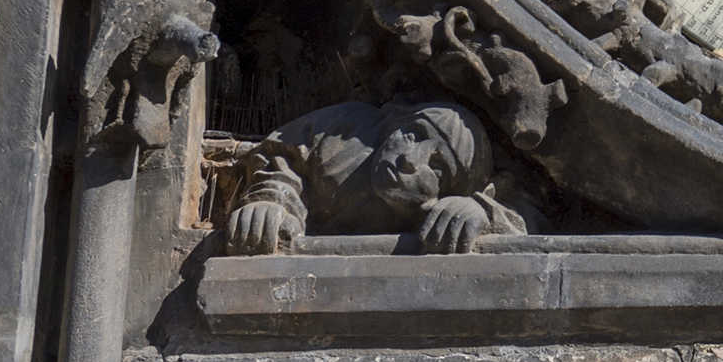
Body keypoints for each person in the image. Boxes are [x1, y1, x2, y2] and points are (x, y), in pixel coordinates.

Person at [222, 99, 527, 255]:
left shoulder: (436, 211)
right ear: (393, 123)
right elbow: (283, 158)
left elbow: (535, 214)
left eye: (437, 167)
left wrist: (482, 211)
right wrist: (271, 200)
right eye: (413, 135)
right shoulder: (344, 128)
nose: (410, 159)